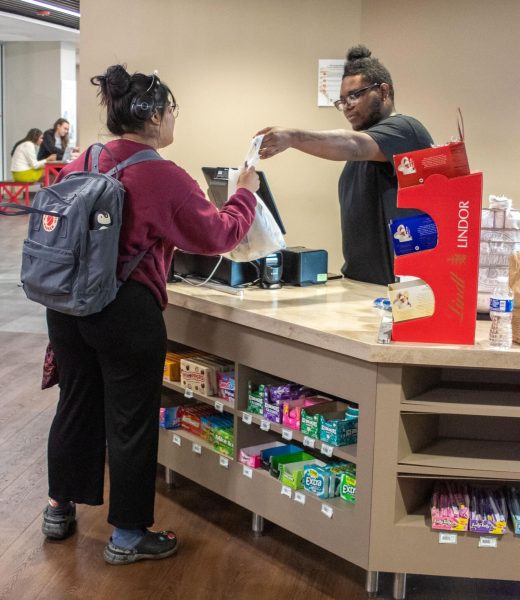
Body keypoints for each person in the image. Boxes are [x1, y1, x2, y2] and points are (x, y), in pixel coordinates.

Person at [41, 64, 259, 565]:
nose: (174, 119)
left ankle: (58, 507)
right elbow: (219, 235)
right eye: (173, 111)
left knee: (75, 404)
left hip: (66, 306)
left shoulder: (85, 158)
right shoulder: (160, 173)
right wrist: (247, 189)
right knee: (130, 420)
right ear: (156, 116)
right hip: (125, 310)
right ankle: (128, 535)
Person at [257, 45, 434, 285]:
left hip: (391, 288)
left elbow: (353, 144)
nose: (347, 105)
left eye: (355, 95)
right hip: (358, 281)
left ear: (383, 91)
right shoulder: (366, 150)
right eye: (342, 101)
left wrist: (293, 137)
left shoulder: (406, 130)